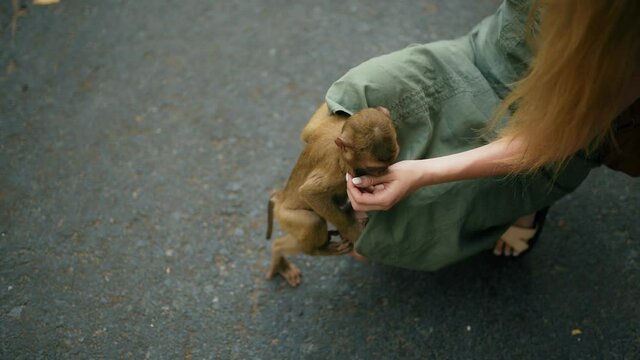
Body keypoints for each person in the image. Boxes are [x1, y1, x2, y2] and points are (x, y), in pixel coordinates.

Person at [322, 0, 639, 270]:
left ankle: (526, 201)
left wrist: (421, 173)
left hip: (546, 129)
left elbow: (560, 136)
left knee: (417, 213)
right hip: (485, 57)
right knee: (356, 94)